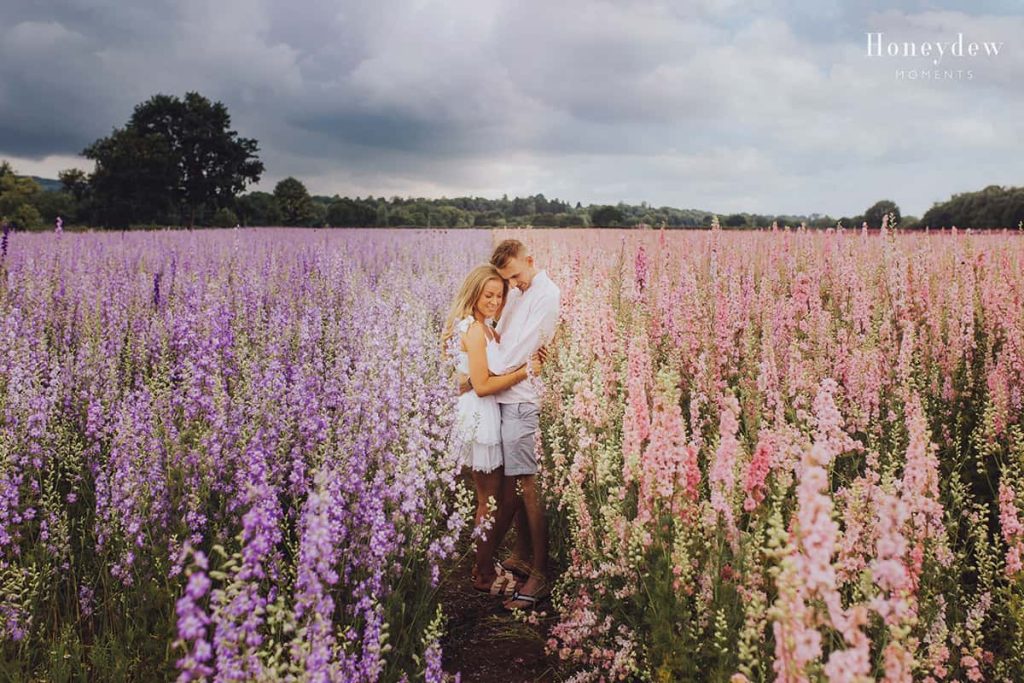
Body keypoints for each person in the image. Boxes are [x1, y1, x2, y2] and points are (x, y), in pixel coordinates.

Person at [442, 264, 543, 596]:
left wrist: (532, 355)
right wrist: (526, 372)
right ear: (474, 294)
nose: (494, 302)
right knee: (491, 501)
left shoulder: (486, 328)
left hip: (488, 411)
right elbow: (483, 386)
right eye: (488, 295)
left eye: (499, 296)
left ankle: (484, 564)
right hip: (481, 414)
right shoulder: (473, 330)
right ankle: (482, 572)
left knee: (502, 498)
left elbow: (487, 372)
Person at [488, 239, 560, 610]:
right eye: (507, 280)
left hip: (522, 400)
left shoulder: (548, 296)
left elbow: (522, 350)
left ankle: (541, 574)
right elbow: (500, 336)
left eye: (515, 275)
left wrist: (488, 369)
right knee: (511, 484)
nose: (512, 285)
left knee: (528, 484)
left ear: (530, 261)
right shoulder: (517, 293)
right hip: (503, 394)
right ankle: (520, 554)